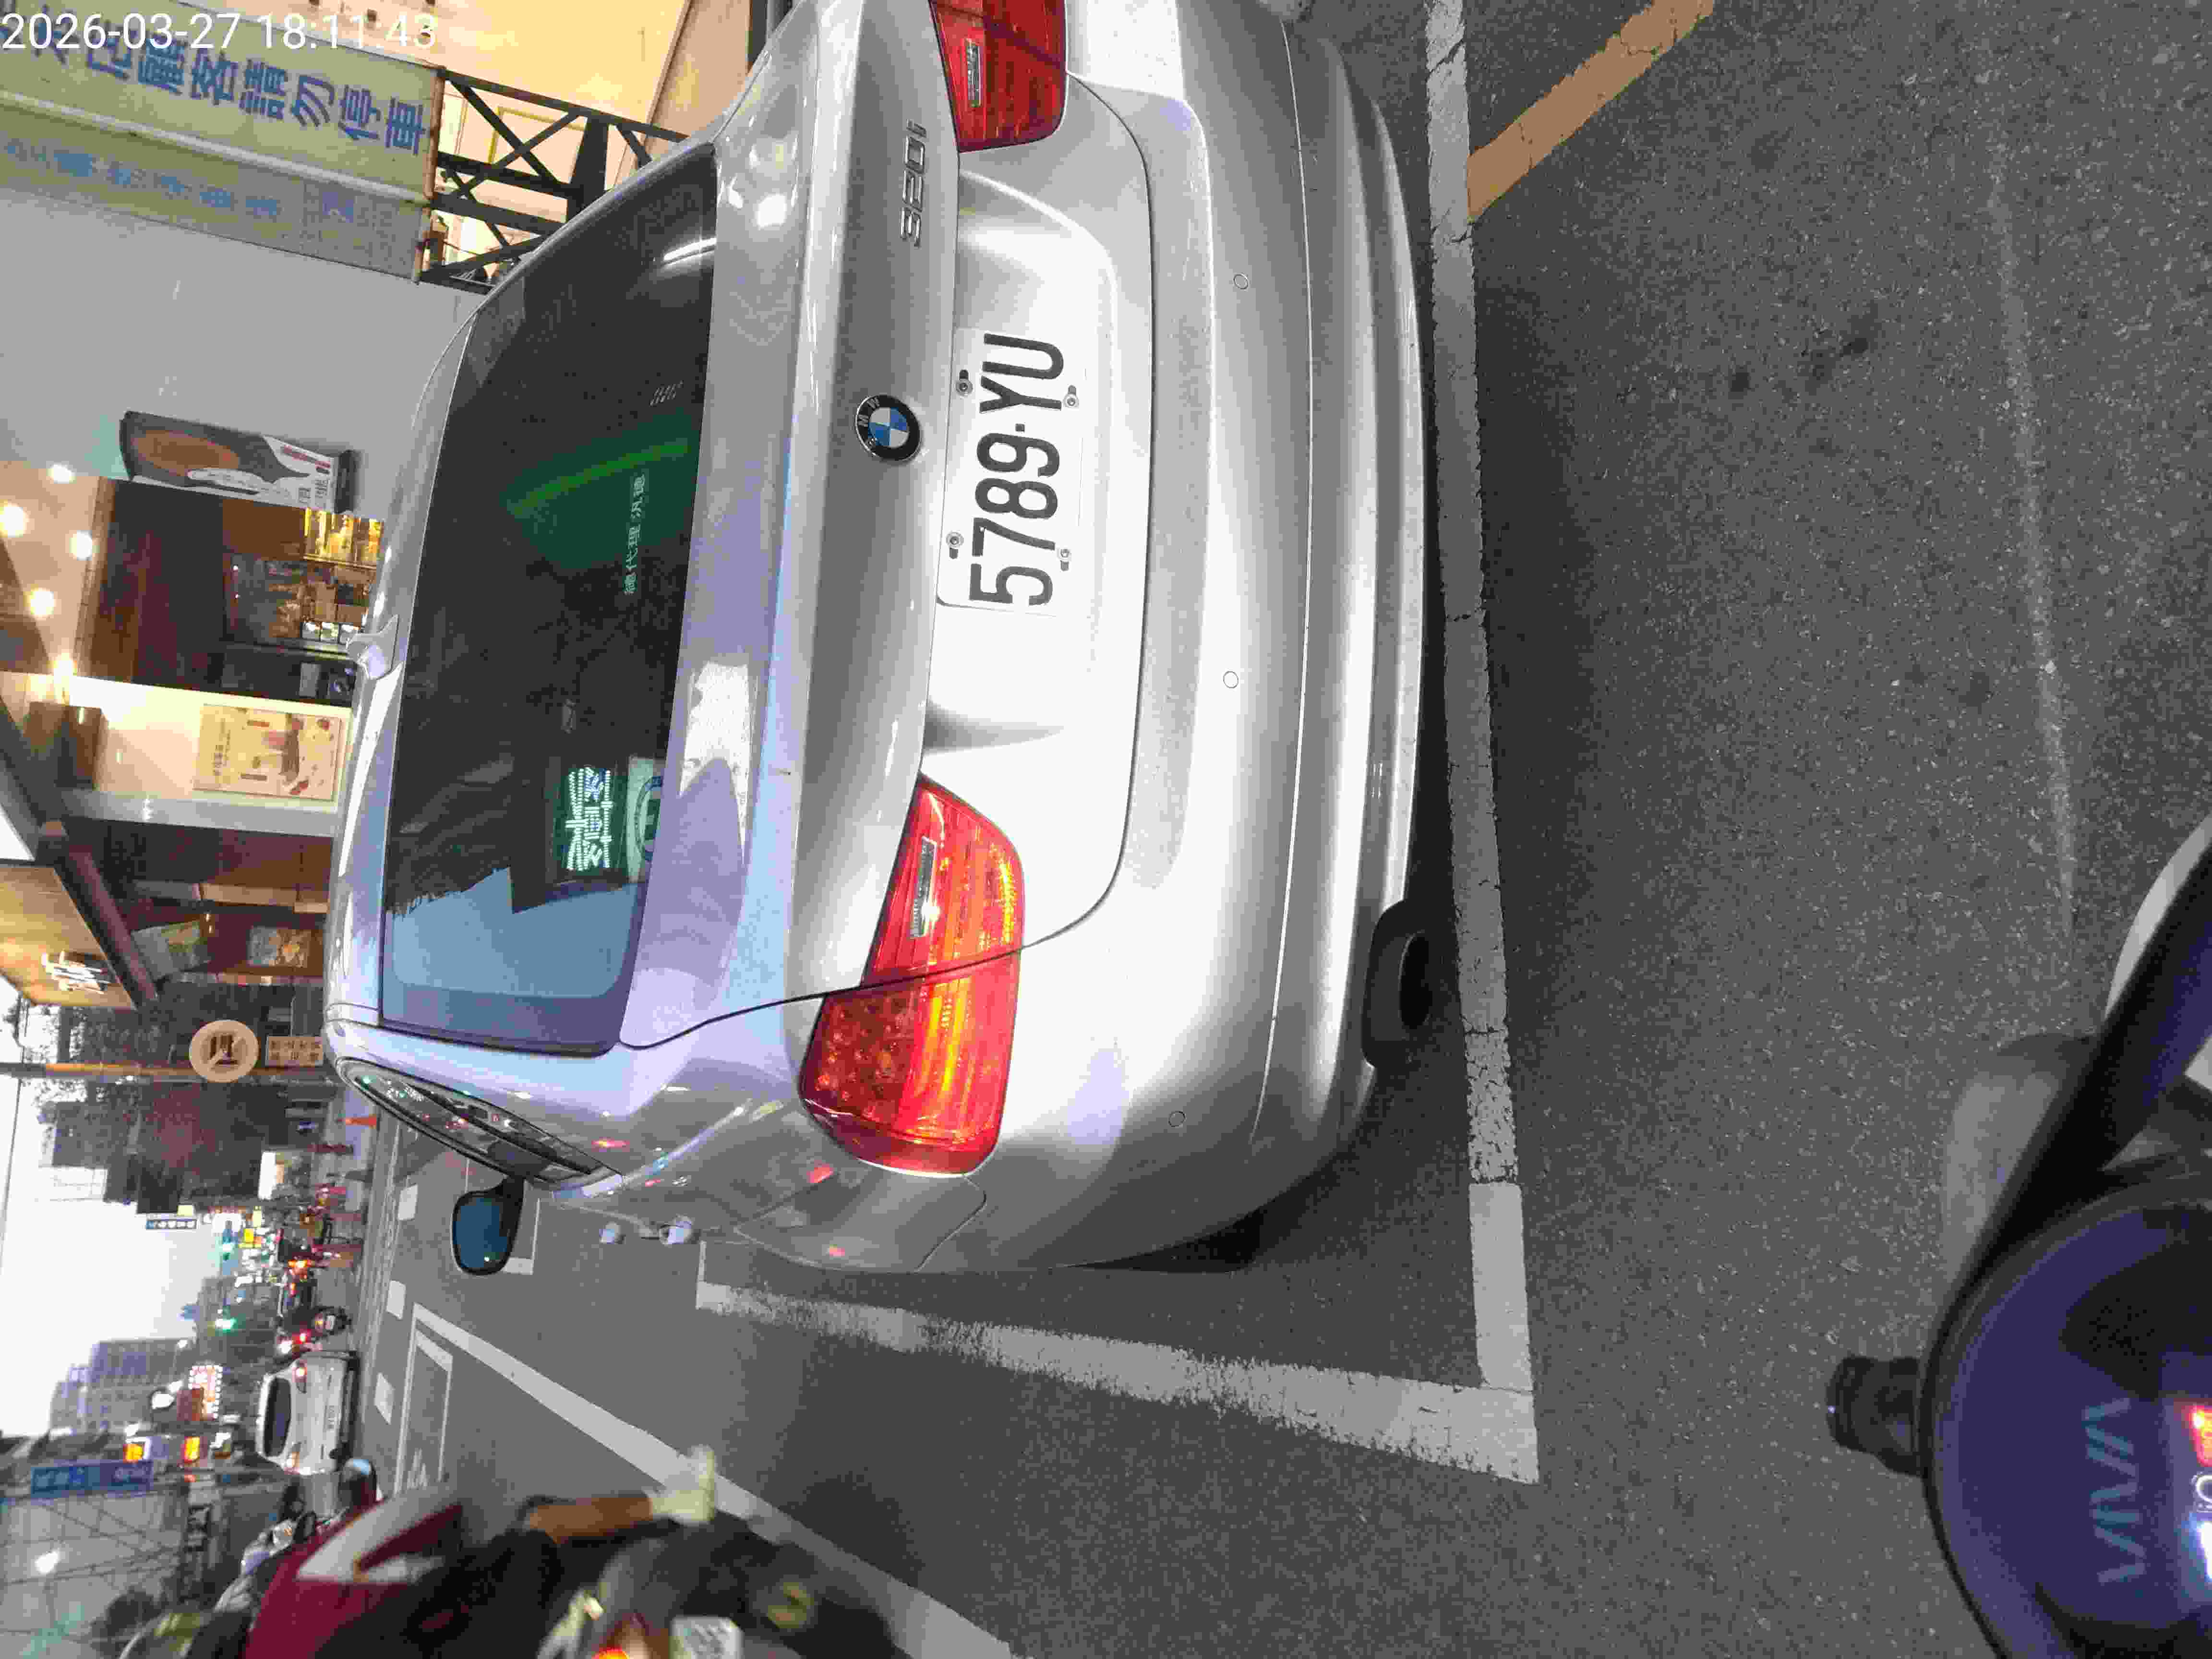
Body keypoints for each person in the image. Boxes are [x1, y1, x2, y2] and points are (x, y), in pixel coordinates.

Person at [236, 1448, 721, 1659]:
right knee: (542, 1525)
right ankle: (678, 1504)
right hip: (487, 1629)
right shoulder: (292, 1595)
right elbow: (423, 1515)